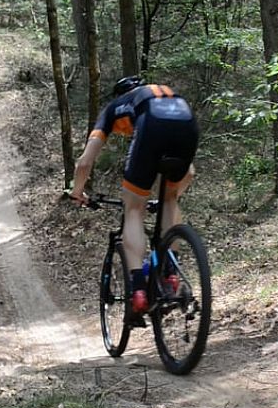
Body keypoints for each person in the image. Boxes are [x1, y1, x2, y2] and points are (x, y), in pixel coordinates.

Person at [69, 76, 198, 324]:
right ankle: (171, 275)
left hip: (152, 127)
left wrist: (78, 192)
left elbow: (84, 162)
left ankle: (138, 289)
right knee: (170, 200)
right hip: (188, 123)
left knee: (134, 209)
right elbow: (189, 172)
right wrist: (168, 198)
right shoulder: (167, 96)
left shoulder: (113, 109)